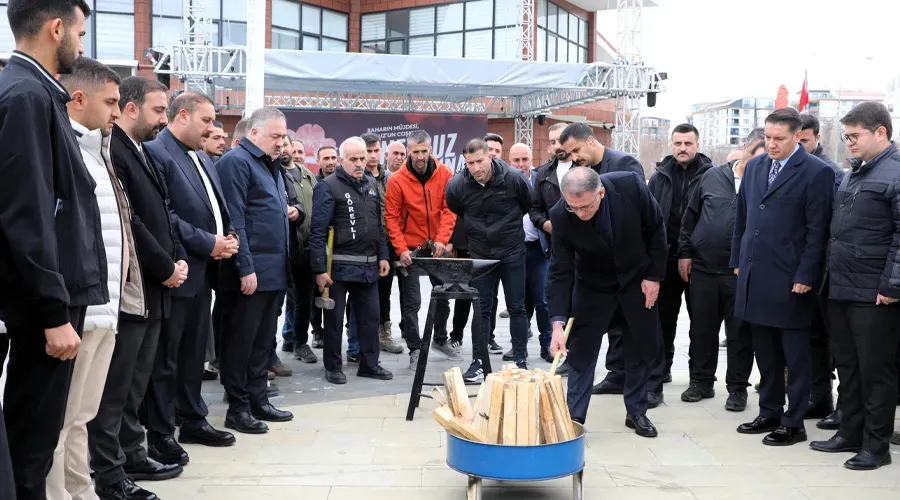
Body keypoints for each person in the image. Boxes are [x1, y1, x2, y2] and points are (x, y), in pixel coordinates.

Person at [0, 1, 108, 496]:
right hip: (43, 310)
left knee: (34, 445)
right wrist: (52, 311)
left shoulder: (36, 93)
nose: (81, 46)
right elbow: (29, 213)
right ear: (56, 27)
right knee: (32, 448)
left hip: (50, 300)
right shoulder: (27, 95)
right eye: (80, 34)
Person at [45, 57, 138, 500]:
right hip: (77, 311)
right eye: (111, 102)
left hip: (105, 308)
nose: (117, 112)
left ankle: (82, 492)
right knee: (60, 419)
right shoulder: (61, 150)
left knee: (82, 415)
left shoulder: (100, 152)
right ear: (78, 99)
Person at [92, 75, 183, 499]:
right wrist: (165, 264)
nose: (163, 119)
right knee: (117, 387)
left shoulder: (139, 151)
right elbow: (132, 223)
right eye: (158, 110)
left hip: (155, 285)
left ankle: (132, 452)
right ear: (131, 109)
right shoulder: (114, 150)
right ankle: (114, 470)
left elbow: (161, 212)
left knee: (137, 380)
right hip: (135, 284)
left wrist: (174, 258)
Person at [731, 107, 835, 447]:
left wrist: (806, 274)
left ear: (797, 137)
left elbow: (818, 231)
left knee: (795, 353)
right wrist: (738, 260)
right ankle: (770, 412)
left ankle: (794, 421)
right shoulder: (756, 166)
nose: (772, 145)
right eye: (768, 137)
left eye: (780, 139)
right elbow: (742, 217)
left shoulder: (815, 172)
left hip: (792, 278)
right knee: (766, 351)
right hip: (755, 273)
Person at [143, 92, 238, 460]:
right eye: (208, 120)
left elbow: (217, 207)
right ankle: (162, 432)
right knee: (167, 358)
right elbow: (165, 216)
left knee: (193, 354)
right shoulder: (158, 152)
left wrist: (228, 238)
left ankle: (193, 419)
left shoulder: (199, 155)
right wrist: (208, 243)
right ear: (182, 116)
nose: (213, 128)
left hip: (204, 273)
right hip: (178, 271)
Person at [810, 102, 900, 470]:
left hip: (875, 294)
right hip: (841, 287)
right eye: (845, 136)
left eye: (854, 136)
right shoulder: (854, 173)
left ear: (881, 132)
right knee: (847, 365)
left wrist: (893, 285)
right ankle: (850, 432)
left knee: (875, 370)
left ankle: (876, 446)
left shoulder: (895, 173)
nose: (848, 142)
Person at [548, 167, 666, 438]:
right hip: (593, 289)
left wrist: (653, 276)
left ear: (600, 193)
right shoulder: (560, 215)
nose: (580, 214)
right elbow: (560, 271)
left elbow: (656, 227)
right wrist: (557, 323)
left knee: (638, 347)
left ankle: (636, 411)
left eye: (586, 207)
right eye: (573, 207)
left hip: (637, 281)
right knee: (581, 354)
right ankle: (574, 418)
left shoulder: (630, 187)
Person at [217, 107, 296, 433]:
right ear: (253, 133)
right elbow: (235, 221)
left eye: (283, 137)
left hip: (274, 272)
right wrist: (245, 267)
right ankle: (237, 407)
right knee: (241, 343)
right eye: (275, 136)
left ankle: (258, 399)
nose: (281, 143)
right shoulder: (237, 163)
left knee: (263, 342)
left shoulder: (269, 165)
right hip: (251, 274)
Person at [677, 128, 765, 412]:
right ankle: (701, 382)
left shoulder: (767, 181)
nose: (758, 163)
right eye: (754, 155)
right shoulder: (712, 176)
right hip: (703, 268)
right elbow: (690, 218)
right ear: (745, 148)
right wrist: (685, 253)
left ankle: (737, 389)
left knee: (740, 334)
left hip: (741, 273)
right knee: (701, 329)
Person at [557, 122, 646, 396]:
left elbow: (638, 215)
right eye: (569, 153)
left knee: (628, 331)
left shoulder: (624, 164)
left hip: (625, 264)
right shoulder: (580, 173)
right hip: (594, 269)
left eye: (576, 150)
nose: (574, 157)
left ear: (592, 141)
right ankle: (614, 374)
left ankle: (630, 382)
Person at [446, 138, 532, 382]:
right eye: (470, 163)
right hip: (481, 252)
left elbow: (528, 202)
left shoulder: (514, 178)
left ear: (490, 157)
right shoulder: (457, 185)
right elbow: (456, 207)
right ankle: (478, 363)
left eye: (480, 161)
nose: (476, 167)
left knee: (517, 306)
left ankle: (521, 361)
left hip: (512, 250)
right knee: (481, 308)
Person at [310, 136, 394, 385]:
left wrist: (383, 255)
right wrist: (318, 269)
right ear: (341, 160)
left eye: (362, 158)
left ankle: (369, 364)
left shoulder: (370, 184)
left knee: (370, 318)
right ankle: (333, 367)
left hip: (368, 266)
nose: (360, 163)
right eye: (354, 159)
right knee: (334, 322)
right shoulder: (328, 186)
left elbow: (378, 226)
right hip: (337, 268)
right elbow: (317, 232)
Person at [648, 123, 713, 402]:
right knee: (663, 319)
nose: (683, 148)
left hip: (699, 260)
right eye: (678, 143)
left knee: (701, 322)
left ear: (697, 145)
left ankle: (701, 380)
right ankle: (660, 371)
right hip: (666, 257)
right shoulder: (659, 176)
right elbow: (649, 216)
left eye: (688, 143)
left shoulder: (712, 175)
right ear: (671, 145)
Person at [384, 130, 457, 369]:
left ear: (430, 149)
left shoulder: (445, 173)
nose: (420, 156)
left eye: (424, 151)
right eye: (415, 152)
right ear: (409, 152)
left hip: (437, 245)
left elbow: (449, 209)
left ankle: (440, 339)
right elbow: (392, 218)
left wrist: (442, 239)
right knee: (411, 301)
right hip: (411, 247)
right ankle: (415, 348)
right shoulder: (396, 180)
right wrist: (401, 248)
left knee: (443, 293)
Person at [799, 112, 843, 423]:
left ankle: (845, 408)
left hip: (831, 269)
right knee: (813, 337)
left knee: (837, 342)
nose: (799, 146)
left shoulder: (829, 172)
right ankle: (820, 398)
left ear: (816, 138)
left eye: (803, 140)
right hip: (806, 268)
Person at [508, 143, 553, 364]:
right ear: (510, 161)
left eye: (525, 159)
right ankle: (519, 346)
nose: (521, 164)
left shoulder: (541, 179)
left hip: (538, 249)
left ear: (531, 159)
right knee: (518, 302)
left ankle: (547, 344)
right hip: (514, 250)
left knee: (542, 300)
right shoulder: (505, 181)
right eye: (516, 160)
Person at [361, 132, 404, 354]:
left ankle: (383, 331)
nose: (372, 155)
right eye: (368, 151)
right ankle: (357, 332)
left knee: (384, 290)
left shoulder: (391, 178)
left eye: (376, 150)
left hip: (387, 242)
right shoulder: (356, 177)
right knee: (362, 290)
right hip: (363, 243)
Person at [279, 137, 318, 364]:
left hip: (308, 247)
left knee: (304, 298)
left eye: (287, 144)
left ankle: (300, 342)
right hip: (285, 247)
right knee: (282, 299)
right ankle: (283, 341)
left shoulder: (307, 175)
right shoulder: (274, 173)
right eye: (280, 143)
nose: (284, 148)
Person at [308, 145, 341, 350]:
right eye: (326, 158)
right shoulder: (315, 183)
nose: (330, 161)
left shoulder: (341, 182)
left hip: (338, 246)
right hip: (319, 243)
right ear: (318, 161)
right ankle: (317, 331)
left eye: (333, 157)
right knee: (316, 292)